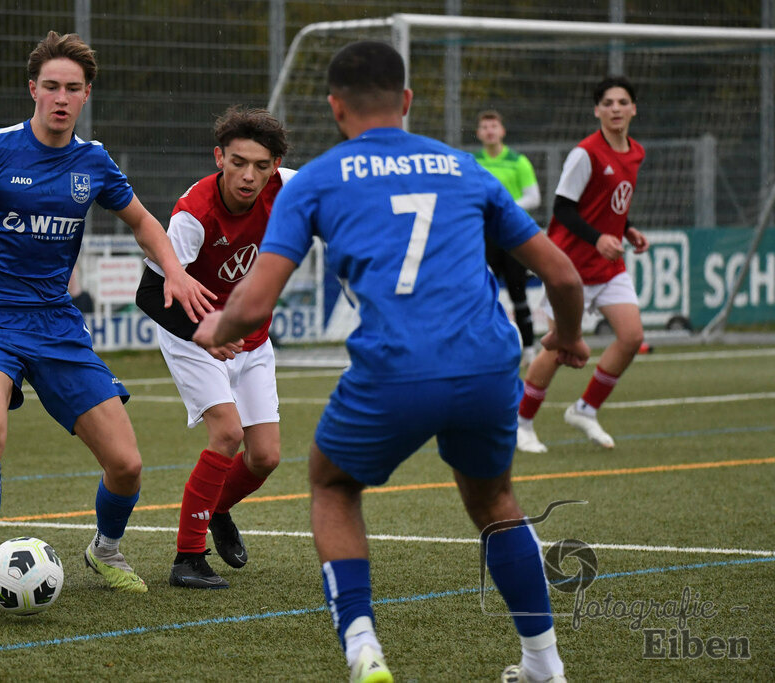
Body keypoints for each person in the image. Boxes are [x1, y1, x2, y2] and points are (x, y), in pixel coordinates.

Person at [192, 41, 588, 683]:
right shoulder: (465, 167)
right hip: (487, 364)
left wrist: (217, 323)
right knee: (495, 502)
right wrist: (565, 339)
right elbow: (564, 277)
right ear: (406, 102)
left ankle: (362, 644)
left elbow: (255, 299)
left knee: (332, 483)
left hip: (394, 367)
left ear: (335, 106)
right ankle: (544, 663)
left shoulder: (315, 180)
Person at [0, 30, 215, 614]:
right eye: (51, 86)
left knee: (127, 464)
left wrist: (172, 270)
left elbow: (145, 223)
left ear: (86, 94)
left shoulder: (92, 161)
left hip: (58, 326)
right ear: (33, 89)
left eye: (73, 88)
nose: (61, 98)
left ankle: (106, 549)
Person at [136, 106, 295, 589]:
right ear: (219, 157)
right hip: (192, 334)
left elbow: (341, 194)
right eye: (238, 162)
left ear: (275, 166)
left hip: (252, 337)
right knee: (227, 435)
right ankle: (188, 557)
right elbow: (148, 295)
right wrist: (202, 334)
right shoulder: (194, 216)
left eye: (261, 166)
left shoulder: (289, 186)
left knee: (265, 456)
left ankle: (219, 507)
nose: (249, 176)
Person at [516, 76, 650, 454]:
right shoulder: (585, 153)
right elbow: (563, 209)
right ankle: (522, 423)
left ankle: (585, 409)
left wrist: (628, 229)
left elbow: (611, 206)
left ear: (633, 108)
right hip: (570, 269)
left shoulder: (636, 152)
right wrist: (598, 238)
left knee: (632, 337)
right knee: (561, 350)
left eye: (623, 102)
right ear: (597, 111)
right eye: (607, 103)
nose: (616, 109)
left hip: (608, 267)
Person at [474, 110, 542, 368]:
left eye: (494, 126)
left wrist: (502, 207)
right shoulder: (472, 161)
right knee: (481, 294)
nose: (490, 131)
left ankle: (528, 350)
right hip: (485, 238)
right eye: (485, 127)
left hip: (513, 239)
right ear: (479, 133)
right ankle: (483, 351)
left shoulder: (518, 161)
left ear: (502, 131)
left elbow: (533, 197)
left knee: (518, 294)